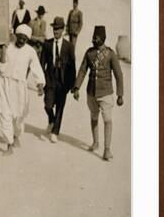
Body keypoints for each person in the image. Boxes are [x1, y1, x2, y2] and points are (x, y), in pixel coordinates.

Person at [72, 25, 124, 161]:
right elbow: (83, 70)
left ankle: (107, 149)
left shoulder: (111, 54)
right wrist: (77, 87)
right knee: (93, 117)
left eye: (97, 38)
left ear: (103, 39)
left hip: (106, 93)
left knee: (107, 120)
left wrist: (120, 95)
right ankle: (95, 142)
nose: (94, 40)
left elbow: (119, 75)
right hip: (91, 92)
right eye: (93, 38)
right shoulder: (89, 53)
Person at [0, 24, 45, 155]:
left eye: (25, 38)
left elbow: (36, 67)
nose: (22, 40)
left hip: (19, 88)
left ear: (28, 39)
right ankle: (9, 144)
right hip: (5, 84)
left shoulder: (30, 51)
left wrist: (40, 83)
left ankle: (16, 135)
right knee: (4, 114)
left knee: (19, 116)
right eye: (20, 37)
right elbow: (1, 69)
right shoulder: (7, 47)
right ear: (16, 36)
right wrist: (3, 53)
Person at [40, 17, 76, 143]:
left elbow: (72, 67)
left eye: (58, 29)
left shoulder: (69, 46)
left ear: (63, 30)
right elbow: (41, 63)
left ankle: (55, 131)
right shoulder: (47, 44)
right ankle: (51, 120)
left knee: (60, 107)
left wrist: (72, 85)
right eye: (54, 28)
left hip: (63, 81)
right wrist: (41, 80)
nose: (55, 31)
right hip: (50, 79)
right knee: (48, 105)